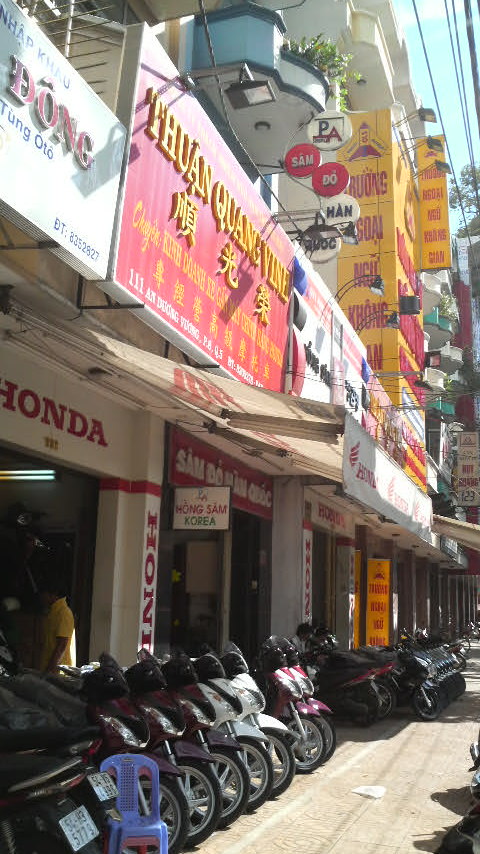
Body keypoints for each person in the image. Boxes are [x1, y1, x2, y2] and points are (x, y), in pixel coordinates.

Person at [39, 571, 76, 674]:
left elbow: (62, 645)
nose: (41, 597)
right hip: (49, 670)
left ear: (53, 594)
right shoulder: (52, 612)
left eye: (43, 594)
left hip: (58, 674)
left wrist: (50, 669)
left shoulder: (64, 613)